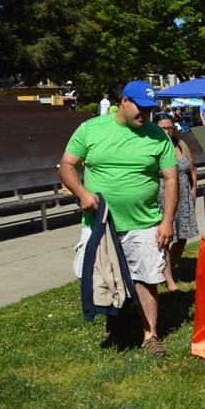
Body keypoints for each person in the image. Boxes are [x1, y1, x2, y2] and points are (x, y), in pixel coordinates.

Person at [59, 80, 178, 356]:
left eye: (150, 110)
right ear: (123, 101)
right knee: (103, 276)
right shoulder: (92, 129)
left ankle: (151, 335)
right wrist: (82, 192)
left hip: (144, 221)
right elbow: (67, 165)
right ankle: (115, 319)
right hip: (100, 223)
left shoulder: (158, 136)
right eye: (141, 109)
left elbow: (171, 180)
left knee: (147, 278)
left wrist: (167, 220)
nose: (146, 115)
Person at [155, 114, 199, 291]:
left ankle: (166, 271)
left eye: (170, 127)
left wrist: (193, 194)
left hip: (184, 197)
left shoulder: (181, 145)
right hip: (163, 196)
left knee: (182, 238)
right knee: (165, 238)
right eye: (163, 128)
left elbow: (192, 171)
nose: (167, 130)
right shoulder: (153, 146)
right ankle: (170, 281)